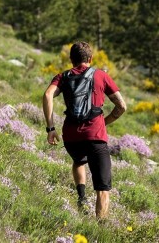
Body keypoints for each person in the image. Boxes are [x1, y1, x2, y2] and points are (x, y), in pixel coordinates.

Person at [42, 41, 126, 220]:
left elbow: (48, 95)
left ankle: (81, 198)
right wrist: (104, 122)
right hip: (95, 136)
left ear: (71, 59)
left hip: (71, 136)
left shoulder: (63, 76)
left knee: (79, 160)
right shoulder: (101, 76)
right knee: (103, 189)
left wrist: (50, 128)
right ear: (91, 58)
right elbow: (121, 106)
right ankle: (99, 228)